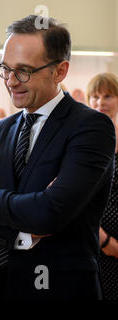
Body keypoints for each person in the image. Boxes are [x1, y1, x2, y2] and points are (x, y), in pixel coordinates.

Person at [0, 15, 115, 300]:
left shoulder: (91, 127)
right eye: (6, 69)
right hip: (0, 285)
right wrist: (20, 235)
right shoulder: (1, 130)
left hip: (62, 288)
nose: (10, 81)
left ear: (59, 72)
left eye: (23, 71)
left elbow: (50, 213)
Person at [87, 72, 118, 300]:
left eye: (108, 96)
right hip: (93, 242)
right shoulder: (82, 141)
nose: (100, 102)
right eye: (95, 96)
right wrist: (104, 240)